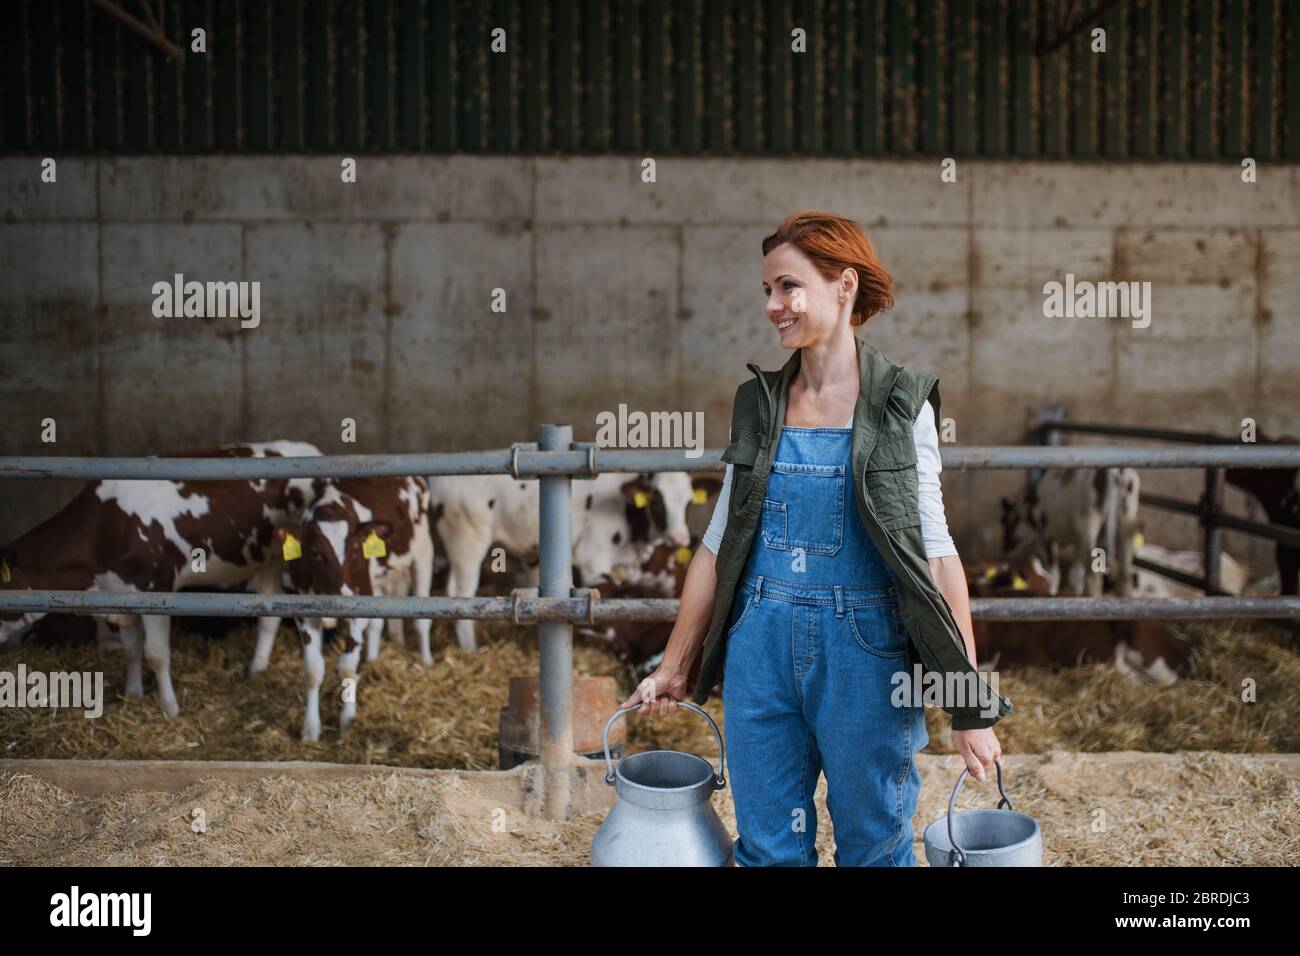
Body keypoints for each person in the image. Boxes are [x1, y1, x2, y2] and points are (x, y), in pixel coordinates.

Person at [619, 210, 1009, 867]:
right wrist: (675, 663)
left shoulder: (901, 404)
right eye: (768, 290)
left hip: (869, 654)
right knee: (768, 851)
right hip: (758, 645)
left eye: (787, 287)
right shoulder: (759, 404)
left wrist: (969, 704)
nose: (773, 306)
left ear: (844, 287)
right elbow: (717, 544)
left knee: (874, 848)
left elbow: (937, 557)